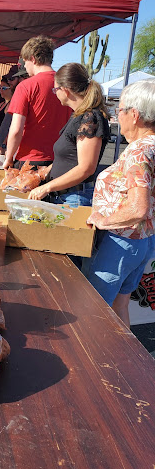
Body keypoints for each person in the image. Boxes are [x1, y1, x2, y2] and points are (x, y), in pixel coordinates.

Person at [83, 79, 155, 327]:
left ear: (134, 115)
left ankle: (92, 361)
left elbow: (138, 207)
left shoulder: (139, 152)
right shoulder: (150, 146)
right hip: (142, 241)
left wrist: (103, 220)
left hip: (122, 242)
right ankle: (124, 362)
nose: (117, 114)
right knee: (119, 305)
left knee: (94, 307)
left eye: (120, 109)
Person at [28, 63, 110, 207]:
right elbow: (70, 157)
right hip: (66, 196)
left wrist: (47, 187)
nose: (55, 93)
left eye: (55, 89)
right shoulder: (78, 116)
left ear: (65, 90)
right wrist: (44, 172)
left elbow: (86, 168)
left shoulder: (90, 118)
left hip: (74, 197)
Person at [3, 36, 72, 171]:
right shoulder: (66, 85)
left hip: (30, 160)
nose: (25, 66)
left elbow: (16, 129)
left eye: (25, 61)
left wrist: (9, 157)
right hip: (60, 161)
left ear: (33, 59)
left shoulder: (26, 86)